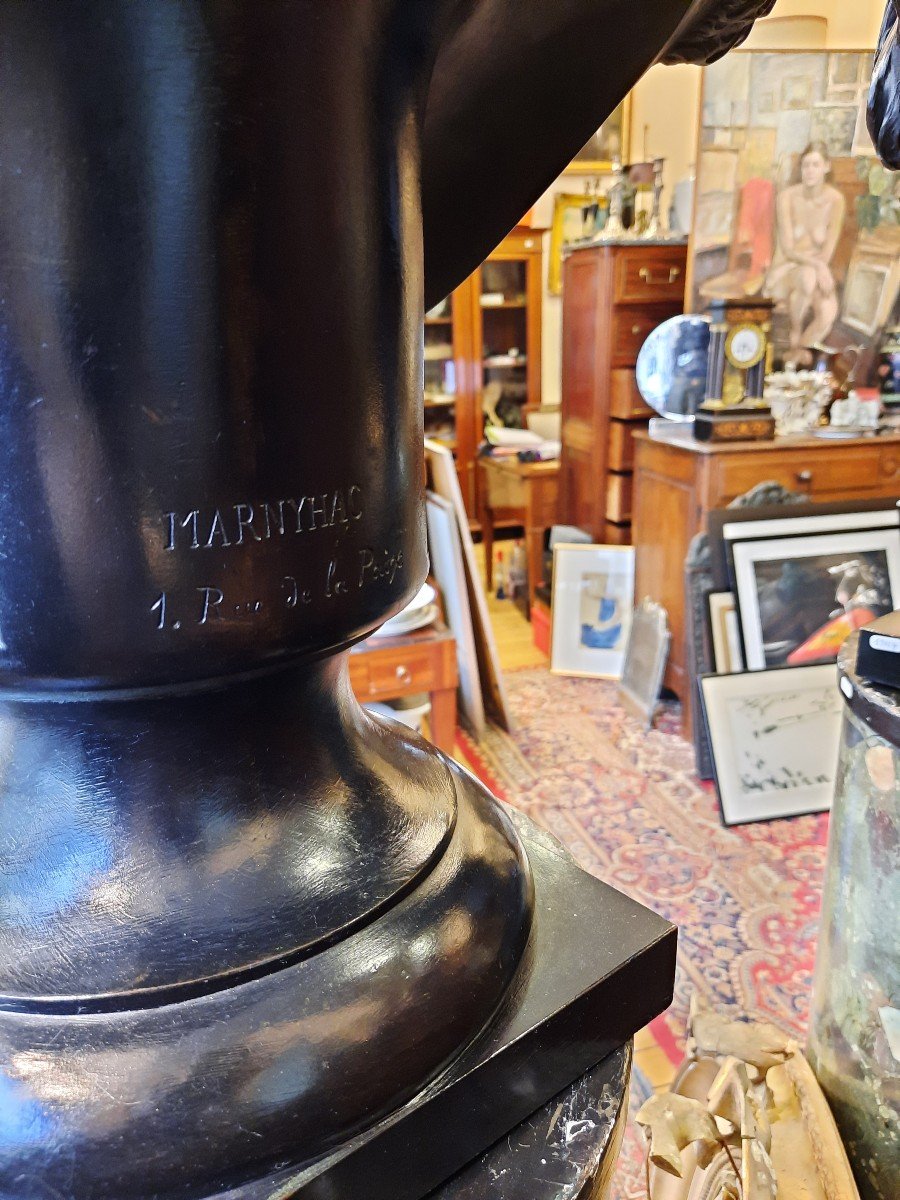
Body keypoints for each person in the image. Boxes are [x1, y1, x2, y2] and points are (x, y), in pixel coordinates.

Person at [765, 142, 846, 364]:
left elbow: (829, 246)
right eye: (805, 165)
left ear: (826, 167)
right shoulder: (787, 198)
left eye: (815, 165)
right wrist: (819, 267)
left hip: (814, 269)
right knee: (808, 277)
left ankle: (800, 348)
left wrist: (820, 266)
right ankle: (794, 338)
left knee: (829, 311)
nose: (809, 170)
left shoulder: (835, 200)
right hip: (786, 269)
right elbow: (789, 249)